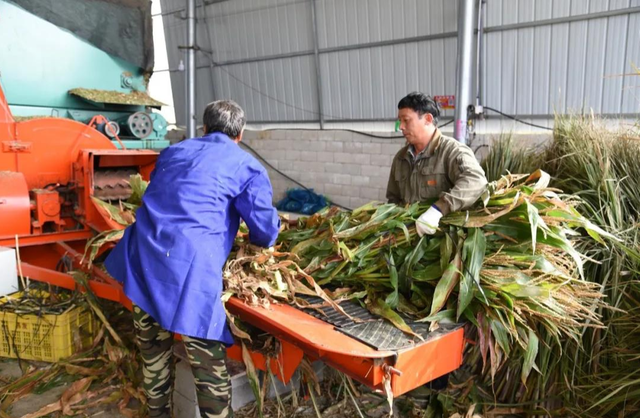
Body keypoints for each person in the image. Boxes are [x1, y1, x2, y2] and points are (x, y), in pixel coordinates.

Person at [105, 100, 280, 418]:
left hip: (145, 258)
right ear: (240, 134)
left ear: (203, 129)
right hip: (190, 271)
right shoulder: (245, 165)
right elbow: (265, 229)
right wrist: (252, 247)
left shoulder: (173, 152)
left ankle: (157, 413)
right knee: (208, 365)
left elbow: (162, 195)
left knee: (154, 354)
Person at [386, 92, 487, 236]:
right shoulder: (401, 158)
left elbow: (476, 181)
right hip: (408, 240)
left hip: (441, 242)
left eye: (406, 120)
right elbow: (393, 199)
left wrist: (438, 210)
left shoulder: (451, 151)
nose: (401, 127)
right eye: (399, 121)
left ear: (427, 119)